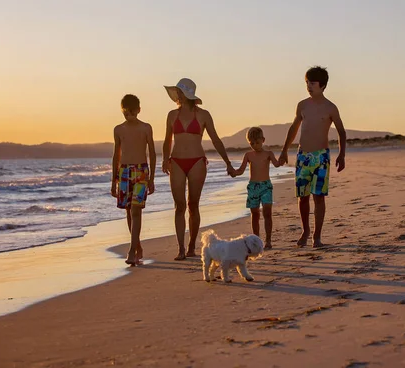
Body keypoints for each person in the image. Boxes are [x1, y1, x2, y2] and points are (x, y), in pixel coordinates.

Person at [162, 78, 236, 260]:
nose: (177, 94)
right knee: (179, 205)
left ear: (185, 94)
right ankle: (180, 248)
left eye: (179, 91)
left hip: (197, 162)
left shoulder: (203, 115)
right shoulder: (172, 115)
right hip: (177, 161)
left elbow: (215, 139)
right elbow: (166, 140)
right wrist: (165, 160)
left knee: (192, 205)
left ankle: (191, 246)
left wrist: (227, 161)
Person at [278, 66, 346, 248]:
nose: (308, 86)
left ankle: (317, 236)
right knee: (303, 196)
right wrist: (285, 150)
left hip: (321, 157)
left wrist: (342, 154)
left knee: (319, 196)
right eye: (307, 82)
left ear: (322, 85)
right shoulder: (302, 105)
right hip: (303, 157)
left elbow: (341, 132)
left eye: (312, 83)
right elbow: (293, 129)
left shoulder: (330, 107)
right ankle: (305, 230)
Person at [111, 94, 156, 265]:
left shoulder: (146, 128)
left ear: (138, 110)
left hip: (141, 172)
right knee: (129, 212)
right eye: (125, 112)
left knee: (136, 211)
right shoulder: (118, 129)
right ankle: (137, 246)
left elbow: (151, 153)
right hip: (124, 172)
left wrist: (151, 178)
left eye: (131, 112)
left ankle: (131, 250)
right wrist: (113, 181)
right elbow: (116, 155)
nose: (128, 115)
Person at [233, 127, 282, 249]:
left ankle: (268, 240)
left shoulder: (268, 154)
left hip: (266, 186)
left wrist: (282, 159)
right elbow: (241, 170)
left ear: (263, 140)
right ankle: (256, 239)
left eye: (257, 143)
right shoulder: (248, 155)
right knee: (255, 214)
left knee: (267, 212)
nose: (255, 145)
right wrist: (233, 172)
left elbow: (276, 164)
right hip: (253, 187)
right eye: (252, 143)